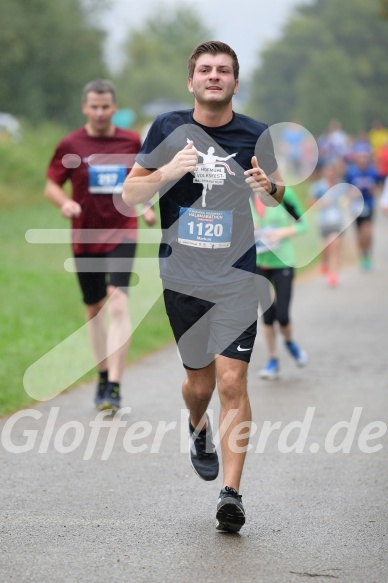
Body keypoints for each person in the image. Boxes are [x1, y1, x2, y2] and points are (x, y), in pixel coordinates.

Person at [122, 41, 284, 533]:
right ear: (191, 81)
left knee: (233, 382)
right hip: (182, 277)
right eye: (206, 70)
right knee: (200, 385)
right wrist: (169, 171)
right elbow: (129, 197)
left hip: (236, 276)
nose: (215, 76)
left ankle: (230, 495)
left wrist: (269, 187)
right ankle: (197, 426)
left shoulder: (257, 134)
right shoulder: (169, 128)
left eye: (224, 70)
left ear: (235, 82)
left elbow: (277, 196)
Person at [45, 79, 156, 412]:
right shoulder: (70, 144)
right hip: (85, 237)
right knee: (94, 311)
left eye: (105, 106)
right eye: (93, 106)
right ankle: (103, 376)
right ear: (85, 108)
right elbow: (51, 184)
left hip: (122, 232)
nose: (99, 112)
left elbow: (143, 180)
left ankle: (116, 386)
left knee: (118, 305)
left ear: (114, 108)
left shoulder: (131, 141)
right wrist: (63, 203)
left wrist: (147, 205)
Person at [251, 187, 308, 380]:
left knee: (282, 315)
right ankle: (273, 359)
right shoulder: (243, 196)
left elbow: (303, 224)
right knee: (267, 314)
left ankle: (290, 343)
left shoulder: (285, 193)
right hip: (258, 263)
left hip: (283, 261)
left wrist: (283, 232)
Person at [308, 161, 346, 287]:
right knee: (325, 248)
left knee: (334, 246)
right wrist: (323, 203)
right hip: (323, 222)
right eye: (328, 171)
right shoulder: (318, 187)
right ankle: (324, 262)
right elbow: (311, 204)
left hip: (337, 221)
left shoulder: (340, 186)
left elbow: (345, 201)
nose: (330, 173)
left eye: (332, 171)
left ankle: (333, 274)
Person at [345, 143, 381, 271]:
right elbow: (346, 188)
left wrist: (374, 190)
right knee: (360, 233)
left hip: (369, 204)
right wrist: (352, 193)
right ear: (356, 158)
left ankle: (368, 254)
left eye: (365, 156)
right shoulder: (351, 172)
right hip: (356, 207)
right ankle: (363, 256)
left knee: (368, 232)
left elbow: (379, 186)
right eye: (360, 156)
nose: (363, 159)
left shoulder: (373, 171)